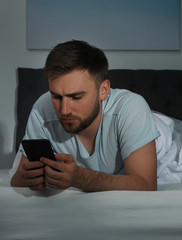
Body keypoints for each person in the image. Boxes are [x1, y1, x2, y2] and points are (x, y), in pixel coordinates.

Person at [10, 40, 160, 192]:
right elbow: (17, 179)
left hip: (161, 137)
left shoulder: (131, 108)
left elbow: (147, 185)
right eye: (56, 96)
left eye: (76, 97)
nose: (64, 110)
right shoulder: (42, 108)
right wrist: (30, 177)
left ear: (103, 90)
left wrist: (80, 178)